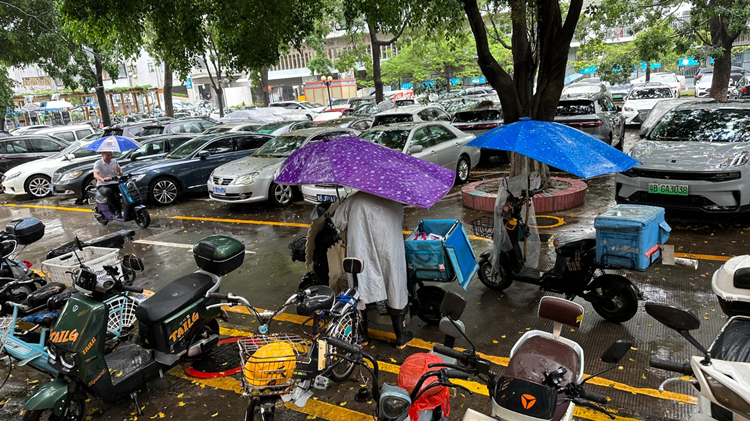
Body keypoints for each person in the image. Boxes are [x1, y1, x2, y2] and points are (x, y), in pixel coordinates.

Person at [332, 192, 413, 349]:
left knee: (360, 289)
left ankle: (363, 337)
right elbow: (400, 219)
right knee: (394, 286)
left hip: (363, 251)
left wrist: (344, 205)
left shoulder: (354, 200)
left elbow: (337, 222)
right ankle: (400, 337)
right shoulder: (395, 199)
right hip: (390, 251)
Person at [93, 151, 123, 218]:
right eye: (107, 156)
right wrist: (103, 179)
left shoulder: (114, 161)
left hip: (114, 183)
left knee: (124, 189)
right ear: (102, 155)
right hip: (103, 185)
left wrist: (119, 171)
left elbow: (120, 174)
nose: (109, 157)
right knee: (108, 191)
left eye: (110, 155)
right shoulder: (98, 163)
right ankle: (116, 210)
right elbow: (95, 175)